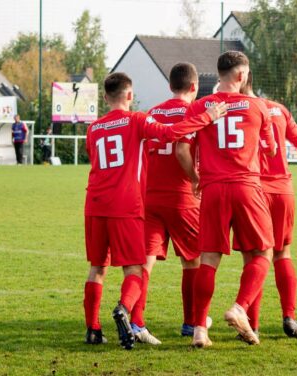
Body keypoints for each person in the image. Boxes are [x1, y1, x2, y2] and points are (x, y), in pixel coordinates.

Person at [82, 72, 226, 350]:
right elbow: (171, 134)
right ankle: (128, 311)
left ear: (104, 97)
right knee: (137, 267)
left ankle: (93, 329)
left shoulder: (94, 128)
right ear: (129, 95)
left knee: (98, 268)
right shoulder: (137, 119)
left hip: (95, 204)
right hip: (129, 204)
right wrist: (208, 117)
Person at [177, 51, 279, 348]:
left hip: (212, 189)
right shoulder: (257, 105)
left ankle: (199, 330)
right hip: (246, 187)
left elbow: (182, 150)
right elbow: (271, 150)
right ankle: (239, 307)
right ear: (240, 75)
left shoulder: (200, 106)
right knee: (263, 253)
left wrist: (195, 178)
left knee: (208, 259)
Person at [234, 72, 297, 339]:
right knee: (283, 254)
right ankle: (289, 315)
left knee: (253, 258)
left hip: (252, 191)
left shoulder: (236, 111)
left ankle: (251, 324)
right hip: (282, 191)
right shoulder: (278, 109)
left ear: (238, 81)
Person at [128, 62, 208, 345]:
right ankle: (191, 323)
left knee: (145, 262)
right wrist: (197, 178)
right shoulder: (193, 112)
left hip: (150, 196)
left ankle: (137, 322)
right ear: (194, 87)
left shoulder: (153, 112)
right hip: (182, 196)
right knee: (193, 261)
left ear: (170, 85)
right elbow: (182, 151)